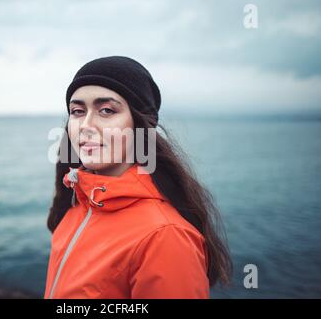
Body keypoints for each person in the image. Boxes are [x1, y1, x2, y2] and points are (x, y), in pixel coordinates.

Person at [44, 56, 232, 299]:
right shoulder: (75, 206)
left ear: (140, 125)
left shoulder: (164, 237)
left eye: (106, 110)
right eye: (77, 111)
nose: (85, 125)